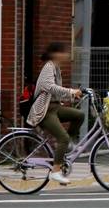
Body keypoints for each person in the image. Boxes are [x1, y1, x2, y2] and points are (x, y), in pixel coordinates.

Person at [27, 43, 84, 185]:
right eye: (63, 52)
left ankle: (67, 146)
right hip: (45, 111)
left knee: (79, 115)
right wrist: (71, 91)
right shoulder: (49, 66)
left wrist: (73, 95)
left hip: (55, 107)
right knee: (62, 138)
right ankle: (56, 171)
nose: (66, 55)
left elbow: (56, 94)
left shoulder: (56, 68)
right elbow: (50, 87)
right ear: (55, 54)